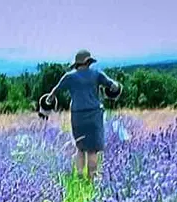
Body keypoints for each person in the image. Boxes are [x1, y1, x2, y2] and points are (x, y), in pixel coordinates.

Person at [43, 49, 121, 181]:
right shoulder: (97, 74)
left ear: (77, 63)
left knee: (80, 148)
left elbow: (53, 93)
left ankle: (80, 177)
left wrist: (49, 101)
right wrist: (111, 90)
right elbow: (113, 86)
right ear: (88, 62)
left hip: (77, 116)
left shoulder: (69, 76)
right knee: (92, 150)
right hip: (94, 115)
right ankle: (91, 179)